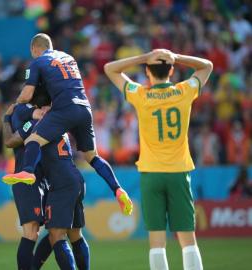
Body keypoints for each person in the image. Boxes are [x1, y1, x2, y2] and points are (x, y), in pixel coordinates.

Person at [104, 49, 213, 270]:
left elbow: (109, 69)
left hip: (151, 174)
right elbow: (207, 66)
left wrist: (144, 57)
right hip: (179, 172)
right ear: (172, 69)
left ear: (147, 71)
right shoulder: (184, 91)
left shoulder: (140, 94)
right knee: (188, 241)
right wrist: (176, 56)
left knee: (156, 242)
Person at [2, 33, 133, 217]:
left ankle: (28, 171)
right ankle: (118, 189)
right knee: (92, 157)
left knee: (33, 139)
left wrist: (17, 107)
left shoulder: (38, 62)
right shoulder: (68, 58)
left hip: (64, 109)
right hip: (85, 108)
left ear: (34, 49)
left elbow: (27, 94)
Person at [3, 88, 89, 270]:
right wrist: (6, 119)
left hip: (46, 180)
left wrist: (6, 118)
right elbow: (10, 141)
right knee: (33, 232)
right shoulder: (31, 118)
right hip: (29, 180)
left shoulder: (44, 119)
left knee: (54, 232)